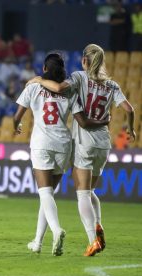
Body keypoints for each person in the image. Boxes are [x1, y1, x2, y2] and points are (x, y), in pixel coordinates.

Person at [28, 44, 135, 256]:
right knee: (91, 191)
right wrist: (131, 129)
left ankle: (92, 239)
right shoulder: (112, 85)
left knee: (83, 193)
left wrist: (38, 79)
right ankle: (98, 225)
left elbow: (58, 89)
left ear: (85, 61)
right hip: (104, 143)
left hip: (84, 142)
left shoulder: (78, 77)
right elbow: (129, 109)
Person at [15, 53, 111, 256]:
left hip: (42, 144)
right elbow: (83, 121)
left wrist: (18, 125)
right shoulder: (70, 92)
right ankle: (38, 242)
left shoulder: (33, 87)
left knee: (45, 193)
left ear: (44, 69)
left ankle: (57, 230)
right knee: (47, 194)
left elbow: (17, 116)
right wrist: (104, 122)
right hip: (63, 145)